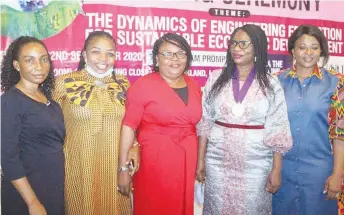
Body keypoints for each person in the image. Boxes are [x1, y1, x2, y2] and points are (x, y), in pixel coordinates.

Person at [196, 24, 293, 214]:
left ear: (257, 47)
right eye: (233, 43)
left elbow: (278, 128)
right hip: (217, 162)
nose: (236, 48)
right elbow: (205, 121)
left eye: (243, 44)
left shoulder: (271, 84)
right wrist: (201, 160)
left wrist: (276, 169)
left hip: (255, 165)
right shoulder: (215, 78)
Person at [53, 31, 139, 215]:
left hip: (115, 167)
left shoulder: (124, 84)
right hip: (78, 166)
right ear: (84, 54)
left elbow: (132, 127)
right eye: (96, 52)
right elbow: (49, 128)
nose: (103, 58)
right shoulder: (63, 83)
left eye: (110, 53)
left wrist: (129, 159)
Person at [117, 33, 202, 215]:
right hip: (155, 161)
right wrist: (123, 169)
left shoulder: (193, 85)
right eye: (167, 54)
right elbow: (128, 126)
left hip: (187, 157)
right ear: (156, 58)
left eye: (180, 53)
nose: (175, 59)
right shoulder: (143, 86)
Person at [272, 24, 344, 215]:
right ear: (293, 50)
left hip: (320, 174)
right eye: (302, 47)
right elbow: (270, 129)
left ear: (321, 50)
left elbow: (341, 134)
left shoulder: (337, 83)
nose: (308, 52)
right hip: (281, 172)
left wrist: (337, 174)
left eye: (314, 47)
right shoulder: (275, 82)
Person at [1, 36, 65, 215]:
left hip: (53, 190)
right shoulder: (10, 101)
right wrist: (32, 202)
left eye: (44, 59)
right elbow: (8, 158)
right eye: (30, 60)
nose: (39, 66)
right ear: (16, 65)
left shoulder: (52, 103)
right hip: (27, 195)